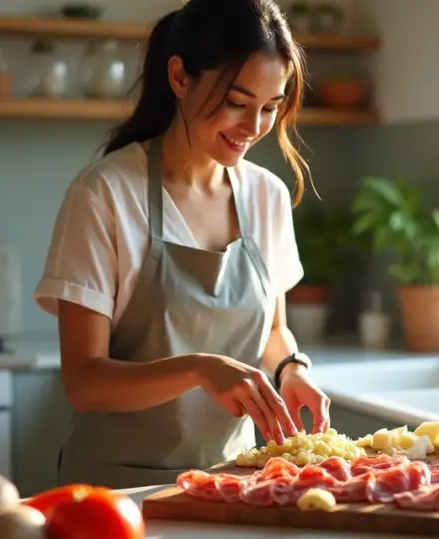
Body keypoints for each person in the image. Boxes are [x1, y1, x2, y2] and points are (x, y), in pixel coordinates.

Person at [33, 0, 331, 489]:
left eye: (270, 108)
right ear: (179, 78)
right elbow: (85, 383)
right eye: (237, 102)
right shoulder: (104, 195)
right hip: (117, 489)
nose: (254, 127)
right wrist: (198, 369)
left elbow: (273, 329)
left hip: (231, 480)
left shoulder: (267, 196)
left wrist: (292, 368)